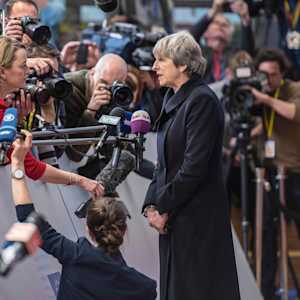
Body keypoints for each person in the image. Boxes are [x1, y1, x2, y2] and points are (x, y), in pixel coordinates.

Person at [142, 31, 240, 300]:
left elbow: (193, 167)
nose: (154, 67)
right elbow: (163, 164)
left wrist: (163, 207)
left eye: (161, 60)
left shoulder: (202, 100)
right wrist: (151, 205)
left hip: (197, 219)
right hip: (175, 217)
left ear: (183, 64)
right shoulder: (172, 98)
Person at [8, 129, 157, 300]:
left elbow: (27, 218)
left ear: (88, 228)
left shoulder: (76, 256)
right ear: (123, 230)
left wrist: (17, 163)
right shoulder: (145, 288)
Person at [0, 36, 102, 195]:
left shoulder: (9, 109)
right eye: (23, 66)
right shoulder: (5, 111)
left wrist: (21, 122)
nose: (28, 72)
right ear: (2, 71)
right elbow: (31, 167)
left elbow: (43, 158)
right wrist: (80, 180)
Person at [251, 47, 300, 300]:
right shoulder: (259, 95)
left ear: (283, 74)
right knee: (268, 239)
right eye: (262, 75)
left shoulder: (293, 90)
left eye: (272, 75)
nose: (267, 80)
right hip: (267, 175)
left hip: (294, 175)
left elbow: (294, 113)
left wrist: (266, 99)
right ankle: (266, 293)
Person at [63, 53, 128, 162]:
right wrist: (91, 111)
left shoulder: (115, 96)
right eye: (103, 83)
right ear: (92, 72)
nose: (107, 91)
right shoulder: (69, 89)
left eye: (114, 87)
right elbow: (74, 153)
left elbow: (115, 148)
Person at [190, 0, 255, 84]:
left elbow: (247, 53)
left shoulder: (235, 54)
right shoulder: (198, 52)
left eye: (225, 25)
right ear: (205, 32)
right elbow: (189, 38)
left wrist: (244, 17)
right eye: (216, 23)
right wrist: (213, 11)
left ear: (230, 35)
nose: (220, 26)